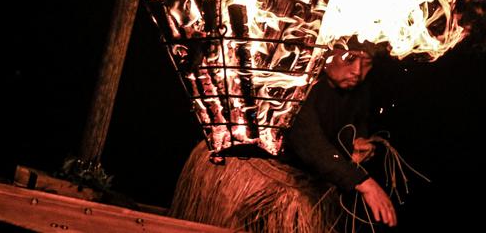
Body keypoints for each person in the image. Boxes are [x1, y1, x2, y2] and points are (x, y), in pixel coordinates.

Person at [168, 38, 397, 231]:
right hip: (246, 173)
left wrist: (356, 144)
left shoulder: (359, 91)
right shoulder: (296, 79)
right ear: (329, 54)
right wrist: (362, 182)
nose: (357, 71)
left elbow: (354, 125)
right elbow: (307, 140)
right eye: (349, 59)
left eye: (366, 64)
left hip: (297, 183)